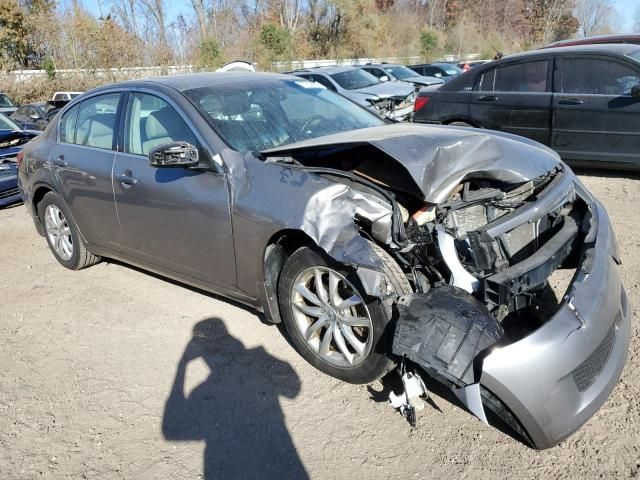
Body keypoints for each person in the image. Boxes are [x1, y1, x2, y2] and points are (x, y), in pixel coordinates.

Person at [162, 318, 308, 479]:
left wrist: (182, 365)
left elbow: (171, 431)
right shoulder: (259, 360)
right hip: (282, 458)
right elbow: (293, 391)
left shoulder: (201, 390)